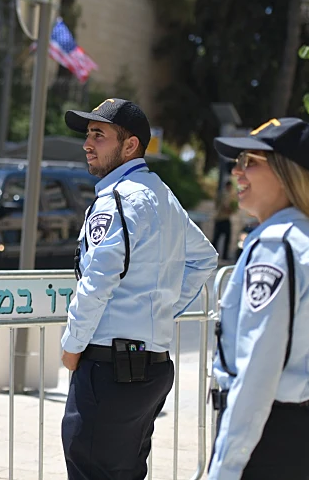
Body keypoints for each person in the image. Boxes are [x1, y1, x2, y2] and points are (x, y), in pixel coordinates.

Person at [60, 98, 218, 480]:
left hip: (108, 368)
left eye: (99, 135)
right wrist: (160, 310)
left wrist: (71, 345)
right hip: (152, 368)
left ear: (129, 146)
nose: (87, 144)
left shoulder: (116, 199)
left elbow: (97, 282)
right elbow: (204, 259)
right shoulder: (161, 195)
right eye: (87, 135)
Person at [208, 118, 309, 480]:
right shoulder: (305, 236)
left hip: (266, 441)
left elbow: (257, 372)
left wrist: (225, 470)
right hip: (292, 433)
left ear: (284, 172)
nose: (237, 171)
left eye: (250, 161)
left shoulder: (276, 244)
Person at [213, 181, 238, 260]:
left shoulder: (221, 194)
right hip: (222, 218)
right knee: (223, 238)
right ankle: (222, 256)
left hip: (221, 218)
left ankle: (215, 255)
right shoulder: (226, 195)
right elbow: (225, 207)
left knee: (218, 238)